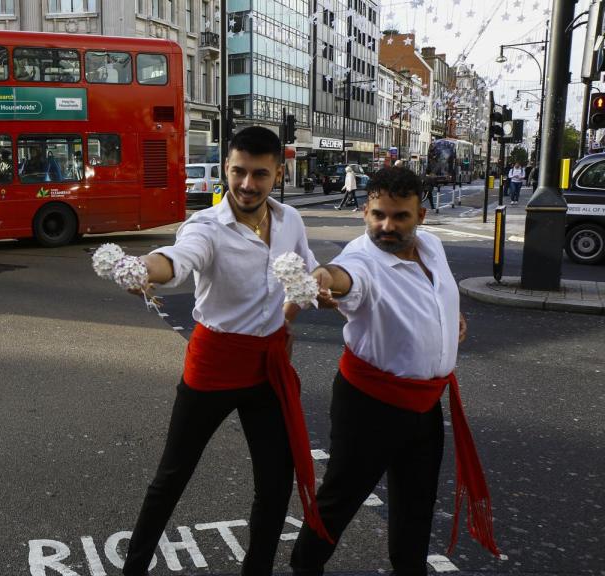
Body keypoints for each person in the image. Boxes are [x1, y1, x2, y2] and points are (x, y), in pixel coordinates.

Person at [122, 125, 331, 576]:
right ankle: (133, 568)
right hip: (214, 364)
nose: (247, 184)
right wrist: (143, 268)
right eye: (238, 172)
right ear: (225, 168)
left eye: (260, 174)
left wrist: (309, 294)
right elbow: (178, 259)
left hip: (267, 368)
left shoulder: (290, 221)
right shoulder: (206, 226)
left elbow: (306, 269)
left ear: (279, 173)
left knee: (275, 483)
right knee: (172, 477)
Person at [291, 166, 499, 576]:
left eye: (400, 216)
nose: (387, 226)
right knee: (339, 502)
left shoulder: (431, 245)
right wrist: (322, 279)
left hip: (424, 404)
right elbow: (343, 278)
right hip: (369, 407)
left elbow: (436, 293)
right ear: (365, 212)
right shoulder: (362, 261)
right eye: (378, 215)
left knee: (416, 506)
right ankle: (304, 568)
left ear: (420, 216)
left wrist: (449, 319)